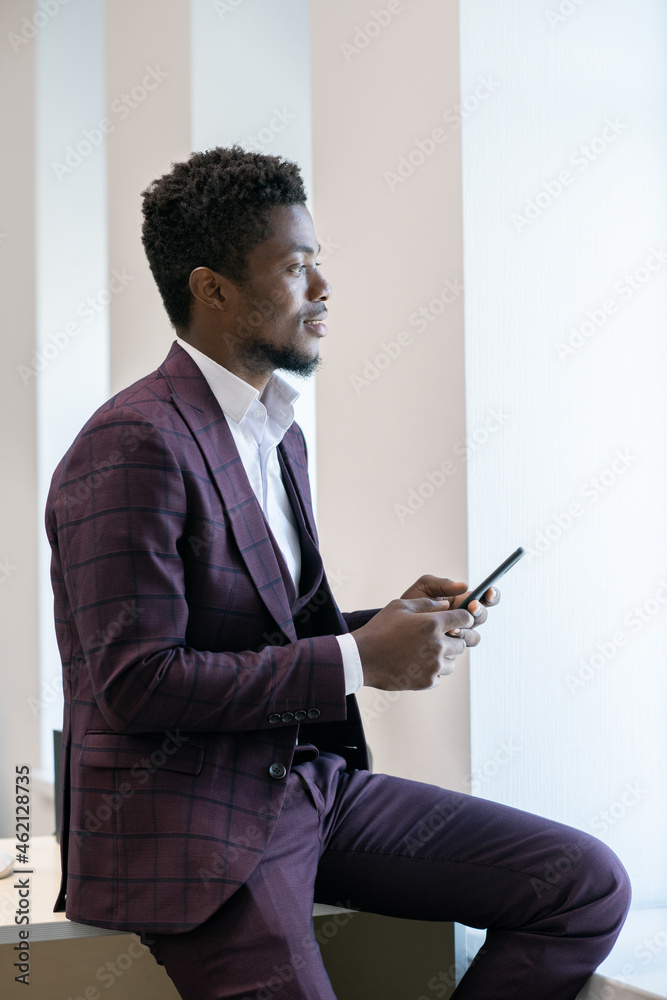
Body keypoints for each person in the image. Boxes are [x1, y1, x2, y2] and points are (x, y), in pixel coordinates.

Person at [46, 145, 630, 1000]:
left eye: (318, 263)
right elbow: (139, 683)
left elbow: (262, 636)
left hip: (307, 788)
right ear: (211, 289)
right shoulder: (131, 443)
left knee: (583, 887)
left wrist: (384, 624)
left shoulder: (276, 431)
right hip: (189, 828)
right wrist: (362, 659)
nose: (322, 290)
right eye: (295, 267)